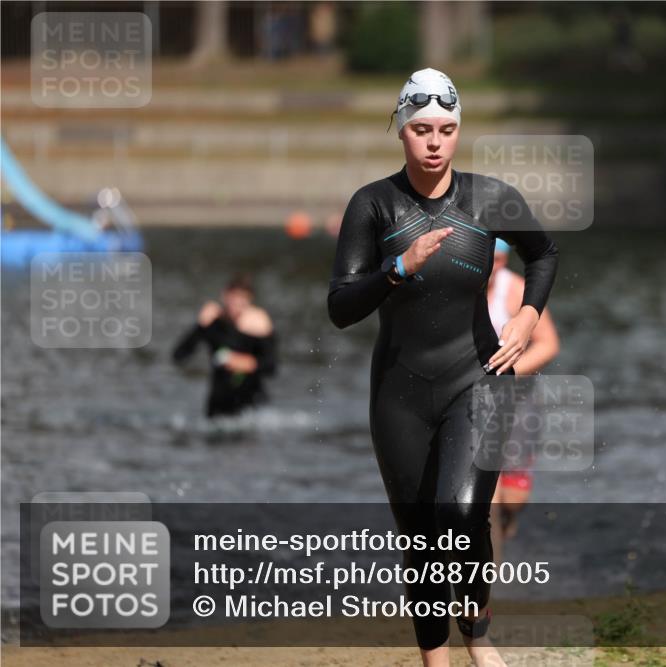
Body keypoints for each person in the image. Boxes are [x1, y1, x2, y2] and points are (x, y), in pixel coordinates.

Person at [326, 68, 559, 667]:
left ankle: (478, 636)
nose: (435, 142)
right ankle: (437, 661)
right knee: (421, 535)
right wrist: (396, 268)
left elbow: (544, 251)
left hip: (478, 378)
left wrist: (530, 314)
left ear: (459, 132)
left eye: (447, 129)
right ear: (401, 131)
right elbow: (340, 307)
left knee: (460, 512)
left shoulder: (488, 199)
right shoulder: (373, 205)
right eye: (422, 129)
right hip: (399, 394)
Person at [486, 239, 560, 565]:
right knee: (486, 498)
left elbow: (548, 345)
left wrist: (507, 373)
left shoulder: (514, 290)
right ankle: (487, 582)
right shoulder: (456, 288)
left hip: (518, 400)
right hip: (473, 402)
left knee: (512, 498)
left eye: (501, 260)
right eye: (489, 259)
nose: (495, 267)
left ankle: (511, 519)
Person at [173, 274, 277, 418]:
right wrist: (200, 325)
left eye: (242, 301)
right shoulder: (214, 323)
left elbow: (272, 367)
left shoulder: (258, 326)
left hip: (251, 403)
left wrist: (244, 362)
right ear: (224, 296)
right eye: (233, 299)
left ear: (249, 301)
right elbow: (179, 356)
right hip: (218, 403)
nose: (236, 305)